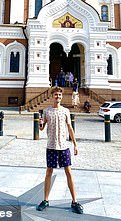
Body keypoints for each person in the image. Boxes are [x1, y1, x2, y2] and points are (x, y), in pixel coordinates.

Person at [37, 86, 83, 214]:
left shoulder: (65, 111)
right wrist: (39, 122)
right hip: (51, 146)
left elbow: (70, 128)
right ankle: (45, 200)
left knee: (69, 172)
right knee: (48, 173)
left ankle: (74, 201)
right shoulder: (47, 111)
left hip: (63, 146)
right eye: (56, 95)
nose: (58, 97)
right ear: (52, 96)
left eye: (60, 95)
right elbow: (41, 128)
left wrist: (75, 144)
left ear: (62, 97)